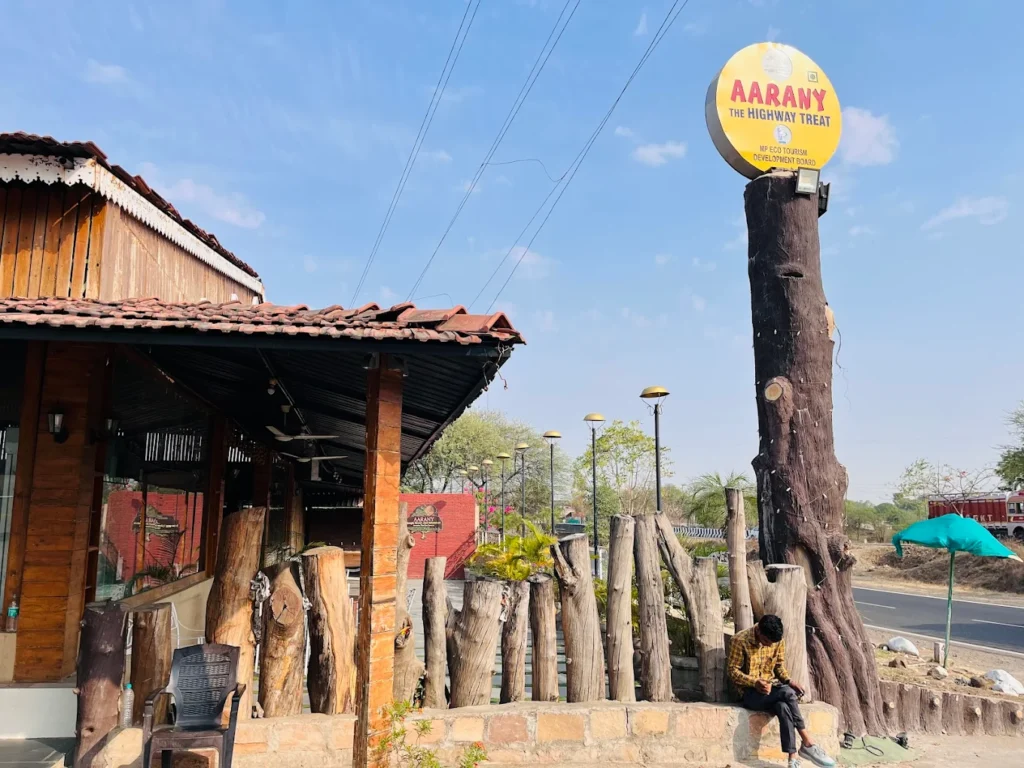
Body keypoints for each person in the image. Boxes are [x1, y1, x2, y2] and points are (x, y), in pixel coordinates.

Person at [727, 614, 835, 768]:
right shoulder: (740, 640)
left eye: (772, 643)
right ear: (759, 631)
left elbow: (778, 667)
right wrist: (754, 682)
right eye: (766, 641)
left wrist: (789, 681)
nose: (769, 645)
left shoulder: (777, 641)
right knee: (787, 693)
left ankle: (792, 757)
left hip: (770, 692)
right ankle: (808, 742)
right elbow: (732, 672)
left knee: (783, 707)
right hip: (749, 694)